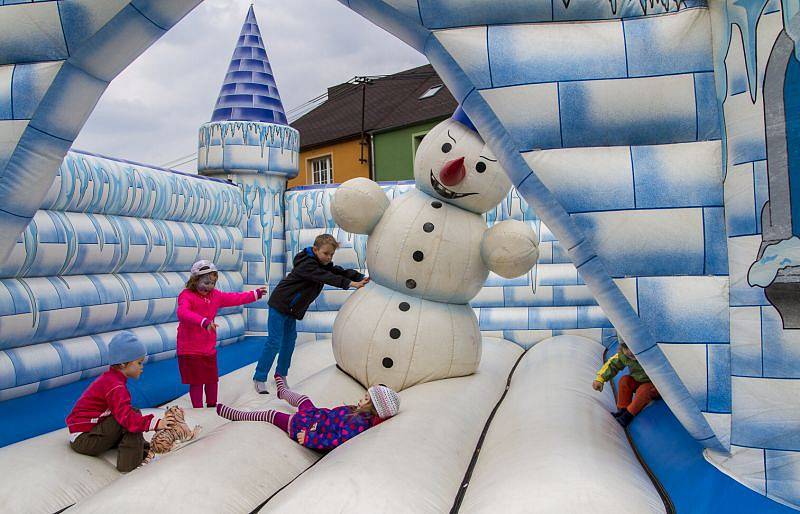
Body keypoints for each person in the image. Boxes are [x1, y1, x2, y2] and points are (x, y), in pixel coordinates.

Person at [252, 234, 368, 394]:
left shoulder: (322, 263)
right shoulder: (306, 264)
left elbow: (337, 271)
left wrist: (360, 277)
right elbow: (326, 276)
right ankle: (260, 377)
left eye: (331, 254)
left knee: (289, 341)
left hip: (291, 310)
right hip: (280, 305)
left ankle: (281, 375)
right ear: (315, 249)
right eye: (326, 253)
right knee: (274, 342)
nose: (329, 257)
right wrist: (350, 284)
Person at [66, 331, 169, 472]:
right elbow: (126, 419)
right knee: (129, 419)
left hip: (86, 434)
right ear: (122, 363)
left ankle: (144, 452)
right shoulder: (115, 387)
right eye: (139, 363)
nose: (142, 367)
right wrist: (156, 423)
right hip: (85, 440)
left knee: (131, 414)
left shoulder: (111, 380)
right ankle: (130, 465)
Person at [217, 378, 399, 450]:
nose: (361, 399)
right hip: (317, 417)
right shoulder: (358, 414)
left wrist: (310, 438)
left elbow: (336, 440)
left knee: (272, 414)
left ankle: (238, 415)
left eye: (365, 398)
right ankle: (283, 391)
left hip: (307, 428)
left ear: (372, 406)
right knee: (303, 399)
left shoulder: (358, 424)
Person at [178, 259, 266, 408]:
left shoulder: (215, 295)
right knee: (197, 382)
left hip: (208, 347)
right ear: (195, 280)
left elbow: (234, 298)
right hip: (189, 349)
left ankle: (212, 406)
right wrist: (204, 321)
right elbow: (182, 312)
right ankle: (198, 410)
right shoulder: (186, 295)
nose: (209, 286)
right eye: (205, 283)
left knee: (212, 379)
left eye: (212, 283)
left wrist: (254, 294)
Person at [592, 339, 660, 427]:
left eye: (633, 347)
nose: (629, 352)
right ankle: (622, 409)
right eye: (625, 347)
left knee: (644, 390)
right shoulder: (624, 355)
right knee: (625, 380)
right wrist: (600, 379)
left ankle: (628, 415)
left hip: (656, 386)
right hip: (639, 381)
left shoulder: (651, 355)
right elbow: (612, 365)